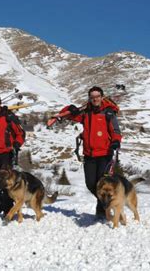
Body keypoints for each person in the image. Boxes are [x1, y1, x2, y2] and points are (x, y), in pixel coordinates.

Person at [57, 86, 122, 218]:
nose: (95, 99)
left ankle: (103, 211)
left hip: (105, 154)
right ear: (89, 99)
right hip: (90, 154)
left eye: (97, 97)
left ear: (102, 97)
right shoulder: (86, 113)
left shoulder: (108, 113)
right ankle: (106, 205)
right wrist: (70, 108)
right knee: (91, 183)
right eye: (92, 97)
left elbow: (116, 130)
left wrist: (116, 141)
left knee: (102, 184)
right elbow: (66, 115)